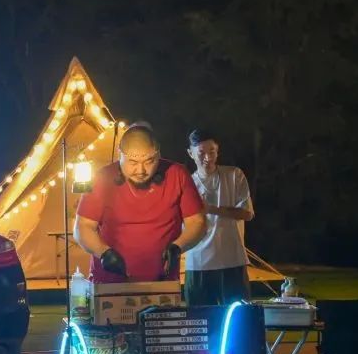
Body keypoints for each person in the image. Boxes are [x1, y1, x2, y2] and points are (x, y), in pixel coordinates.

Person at [74, 123, 206, 284]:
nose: (141, 170)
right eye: (133, 162)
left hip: (162, 283)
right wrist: (104, 253)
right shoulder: (103, 177)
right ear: (120, 154)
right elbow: (83, 227)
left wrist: (178, 247)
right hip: (109, 283)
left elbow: (197, 222)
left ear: (158, 154)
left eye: (149, 161)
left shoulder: (178, 174)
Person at [183, 130, 254, 306]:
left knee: (238, 319)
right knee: (200, 321)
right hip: (198, 264)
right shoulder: (186, 184)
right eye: (201, 153)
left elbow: (247, 213)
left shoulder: (234, 175)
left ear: (218, 150)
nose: (207, 157)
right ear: (190, 153)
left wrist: (211, 209)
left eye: (212, 151)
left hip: (232, 261)